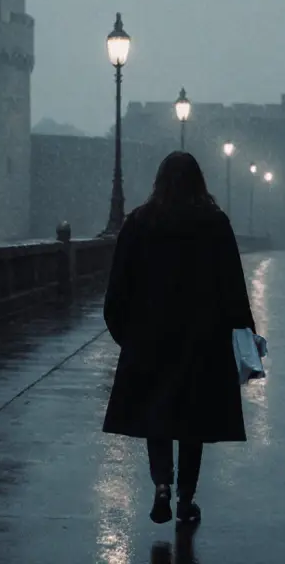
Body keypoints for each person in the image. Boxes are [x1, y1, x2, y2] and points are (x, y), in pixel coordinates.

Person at [101, 151, 258, 526]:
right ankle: (187, 497)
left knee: (157, 416)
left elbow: (116, 292)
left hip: (152, 337)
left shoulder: (139, 223)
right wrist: (242, 333)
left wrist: (130, 336)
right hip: (202, 341)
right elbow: (233, 287)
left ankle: (161, 485)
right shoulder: (215, 224)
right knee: (193, 422)